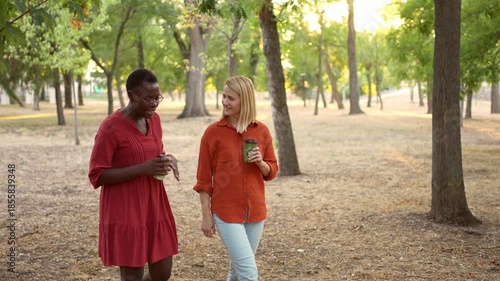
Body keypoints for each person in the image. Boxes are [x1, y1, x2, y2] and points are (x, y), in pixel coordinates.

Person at [88, 69, 179, 281]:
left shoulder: (154, 120)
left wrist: (166, 159)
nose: (154, 103)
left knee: (162, 273)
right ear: (132, 95)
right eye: (148, 98)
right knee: (132, 275)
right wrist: (143, 168)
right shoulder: (111, 127)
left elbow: (153, 152)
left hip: (154, 204)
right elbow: (97, 175)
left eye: (157, 98)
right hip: (126, 208)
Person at [193, 75, 279, 281]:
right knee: (249, 273)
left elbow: (272, 171)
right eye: (224, 96)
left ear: (245, 100)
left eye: (231, 98)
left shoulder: (262, 131)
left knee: (237, 270)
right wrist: (206, 216)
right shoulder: (213, 133)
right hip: (226, 212)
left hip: (256, 212)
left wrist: (260, 163)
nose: (224, 102)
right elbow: (204, 180)